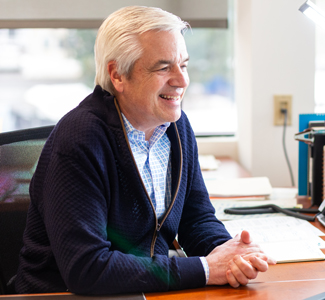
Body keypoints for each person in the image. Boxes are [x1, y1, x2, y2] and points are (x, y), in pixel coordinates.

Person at [14, 6, 275, 295]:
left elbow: (196, 218)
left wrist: (229, 255)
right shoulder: (80, 139)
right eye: (164, 67)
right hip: (63, 296)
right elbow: (86, 269)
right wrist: (206, 269)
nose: (182, 80)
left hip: (145, 289)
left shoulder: (176, 127)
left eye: (184, 65)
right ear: (118, 75)